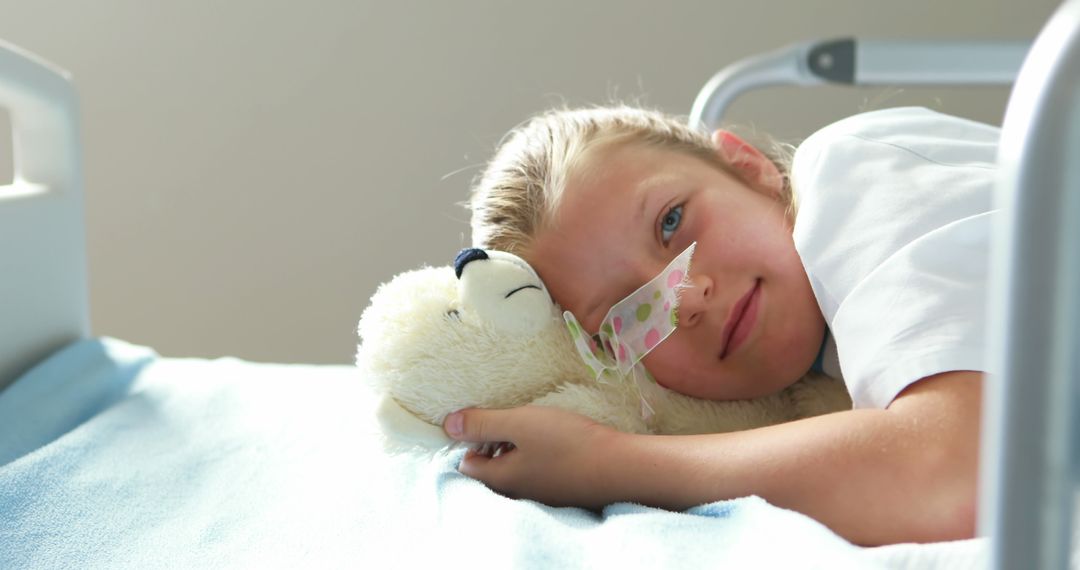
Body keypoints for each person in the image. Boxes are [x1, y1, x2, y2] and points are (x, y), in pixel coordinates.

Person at [444, 104, 994, 546]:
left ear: (748, 166)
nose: (685, 299)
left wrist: (607, 464)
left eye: (672, 221)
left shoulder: (852, 175)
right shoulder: (832, 355)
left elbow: (957, 474)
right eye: (632, 314)